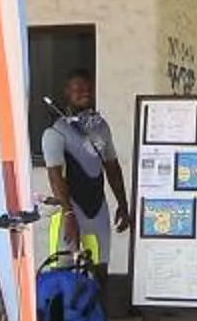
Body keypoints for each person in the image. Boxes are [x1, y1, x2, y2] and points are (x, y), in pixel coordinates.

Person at [39, 72, 134, 262]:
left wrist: (123, 205)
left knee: (100, 269)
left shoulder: (101, 127)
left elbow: (112, 167)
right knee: (66, 271)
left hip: (99, 210)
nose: (85, 93)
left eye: (89, 89)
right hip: (70, 212)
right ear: (67, 92)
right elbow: (55, 177)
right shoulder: (56, 131)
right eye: (79, 89)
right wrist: (68, 214)